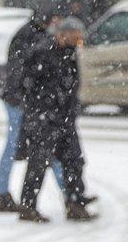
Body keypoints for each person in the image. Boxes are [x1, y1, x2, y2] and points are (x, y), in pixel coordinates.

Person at [15, 17, 96, 222]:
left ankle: (75, 202)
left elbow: (71, 83)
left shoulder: (69, 53)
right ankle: (28, 206)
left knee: (74, 160)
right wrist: (43, 108)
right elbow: (28, 84)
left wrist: (70, 108)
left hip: (64, 117)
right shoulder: (42, 53)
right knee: (38, 163)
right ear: (63, 34)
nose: (78, 41)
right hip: (43, 118)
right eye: (75, 36)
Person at [0, 1, 67, 214]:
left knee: (34, 147)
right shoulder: (32, 37)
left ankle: (3, 194)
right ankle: (67, 192)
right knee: (34, 146)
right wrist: (27, 95)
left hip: (24, 100)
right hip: (21, 101)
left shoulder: (32, 35)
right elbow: (21, 70)